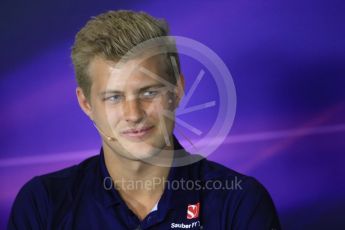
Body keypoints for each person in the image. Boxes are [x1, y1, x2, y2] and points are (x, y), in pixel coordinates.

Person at [8, 10, 281, 229]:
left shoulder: (239, 202)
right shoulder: (43, 204)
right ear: (86, 103)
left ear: (177, 91)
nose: (134, 114)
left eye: (149, 92)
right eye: (114, 97)